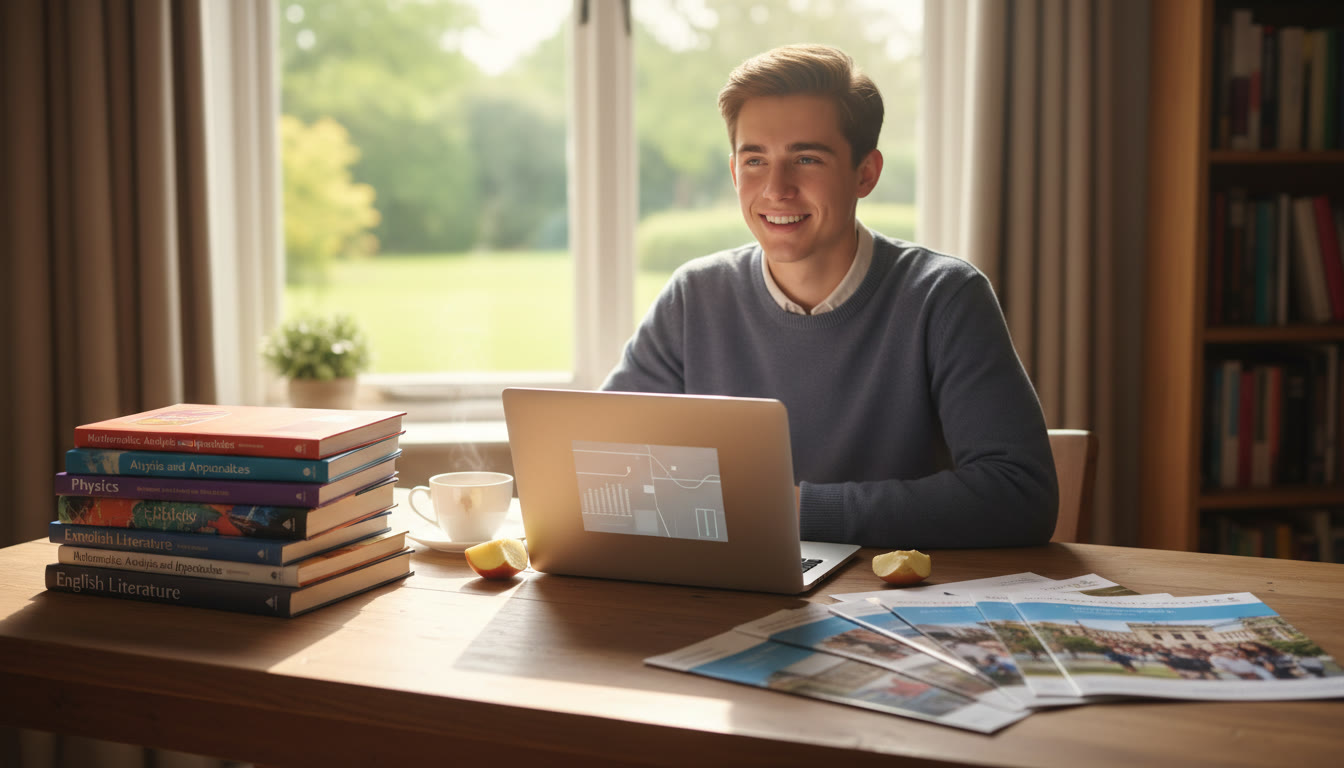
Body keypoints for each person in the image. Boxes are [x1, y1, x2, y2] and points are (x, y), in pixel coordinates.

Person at [601, 44, 1057, 548]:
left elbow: (1021, 496)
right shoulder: (694, 296)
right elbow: (597, 463)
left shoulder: (944, 297)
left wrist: (795, 511)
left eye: (806, 158)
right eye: (755, 160)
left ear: (866, 173)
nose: (776, 188)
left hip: (887, 597)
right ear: (734, 172)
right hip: (724, 588)